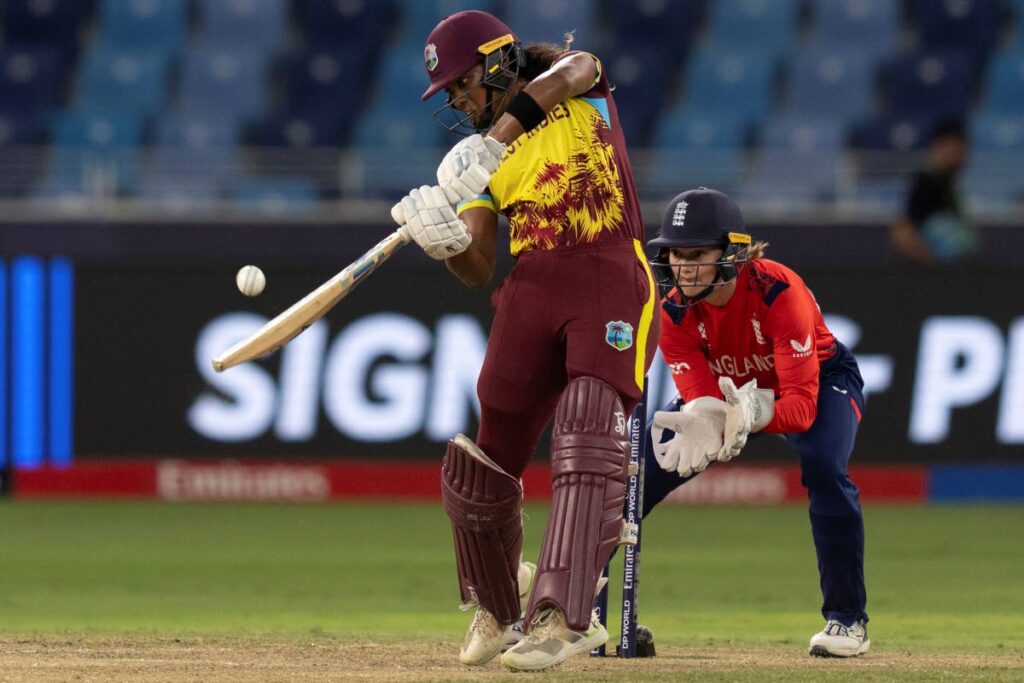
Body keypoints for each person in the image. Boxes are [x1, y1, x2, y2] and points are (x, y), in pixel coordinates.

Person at [396, 10, 658, 671]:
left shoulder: (579, 85)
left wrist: (502, 134)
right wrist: (444, 240)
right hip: (533, 284)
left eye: (461, 85)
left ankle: (568, 616)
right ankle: (496, 605)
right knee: (487, 454)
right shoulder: (471, 159)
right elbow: (479, 264)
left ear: (495, 64)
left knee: (589, 422)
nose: (457, 102)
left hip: (605, 270)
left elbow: (577, 69)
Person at [642, 187, 870, 658]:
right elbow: (704, 403)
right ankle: (582, 612)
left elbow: (801, 409)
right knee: (641, 474)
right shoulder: (673, 311)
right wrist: (711, 415)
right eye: (676, 255)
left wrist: (745, 413)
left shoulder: (778, 291)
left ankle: (847, 621)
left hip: (818, 381)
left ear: (732, 252)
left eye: (697, 255)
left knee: (825, 465)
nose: (683, 268)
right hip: (727, 390)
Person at [889, 119, 978, 266]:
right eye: (956, 148)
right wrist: (932, 265)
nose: (962, 154)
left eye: (963, 148)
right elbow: (901, 234)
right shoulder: (927, 183)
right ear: (939, 147)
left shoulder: (950, 182)